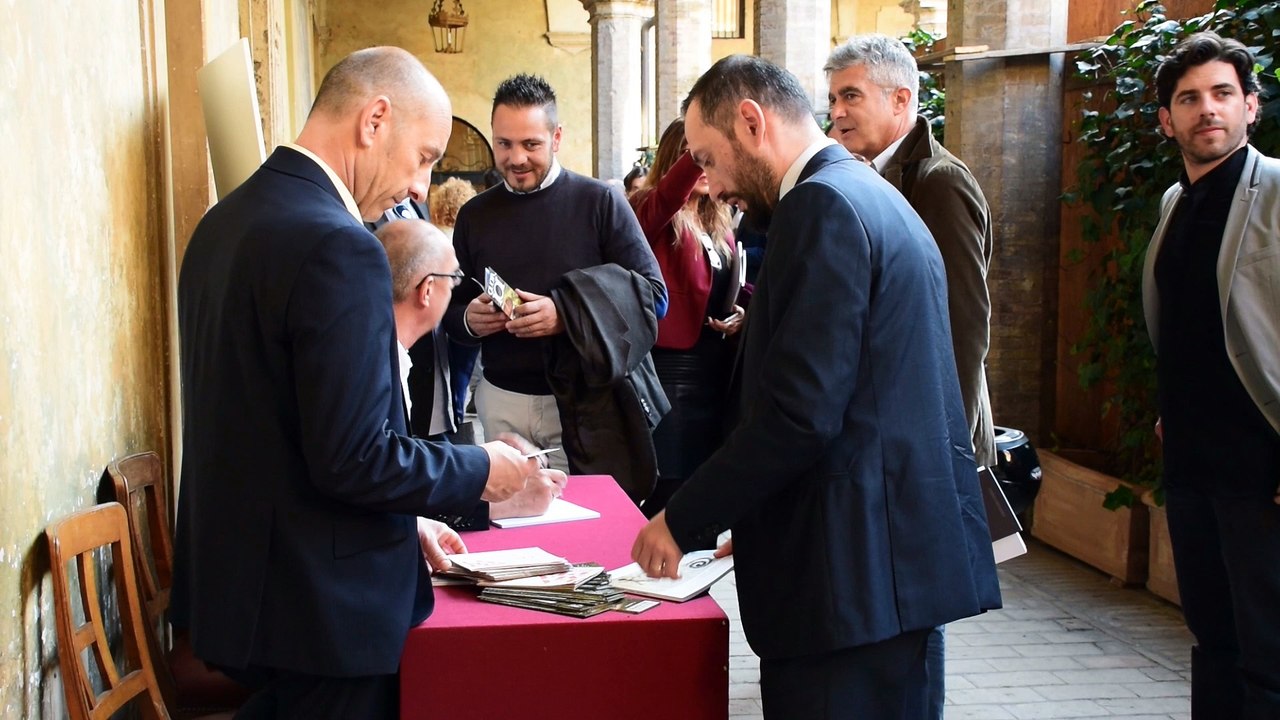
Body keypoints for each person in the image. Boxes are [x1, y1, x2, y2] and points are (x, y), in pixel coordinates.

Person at [630, 55, 1001, 719]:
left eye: (709, 160)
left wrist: (681, 519)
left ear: (752, 122)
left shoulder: (821, 205)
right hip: (882, 569)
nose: (708, 186)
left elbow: (800, 413)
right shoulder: (865, 191)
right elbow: (860, 397)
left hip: (847, 583)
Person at [172, 47, 538, 719]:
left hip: (240, 593)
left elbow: (275, 428)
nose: (421, 187)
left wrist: (406, 528)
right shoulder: (339, 245)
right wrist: (478, 468)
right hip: (317, 609)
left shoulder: (220, 225)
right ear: (374, 120)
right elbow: (356, 456)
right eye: (424, 156)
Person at [825, 33, 998, 717]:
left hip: (926, 439)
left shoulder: (937, 180)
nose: (835, 112)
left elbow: (963, 325)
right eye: (833, 96)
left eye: (850, 96)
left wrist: (936, 443)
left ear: (902, 99)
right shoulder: (862, 172)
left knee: (918, 617)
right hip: (888, 439)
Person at [443, 73, 669, 502]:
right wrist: (469, 320)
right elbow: (450, 309)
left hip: (583, 405)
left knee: (582, 534)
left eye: (531, 144)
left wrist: (565, 315)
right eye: (504, 144)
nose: (516, 159)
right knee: (508, 534)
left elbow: (654, 297)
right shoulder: (474, 215)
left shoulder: (600, 202)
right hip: (499, 399)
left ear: (557, 137)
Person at [1142, 31, 1280, 718]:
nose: (1208, 110)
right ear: (1168, 119)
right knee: (1213, 640)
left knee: (1270, 654)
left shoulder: (1278, 194)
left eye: (1223, 94)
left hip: (1263, 471)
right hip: (1193, 466)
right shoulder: (1175, 204)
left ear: (1251, 106)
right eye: (1189, 99)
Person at [375, 218, 568, 523]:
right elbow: (383, 473)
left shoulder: (383, 351)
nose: (457, 290)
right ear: (427, 290)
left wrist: (486, 458)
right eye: (454, 279)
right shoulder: (377, 366)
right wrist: (486, 472)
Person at [628, 118, 743, 518]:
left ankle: (694, 574)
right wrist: (704, 140)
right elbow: (669, 194)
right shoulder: (649, 208)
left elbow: (730, 282)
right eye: (701, 158)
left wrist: (743, 311)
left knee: (706, 483)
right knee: (671, 485)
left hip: (716, 367)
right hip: (671, 371)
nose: (709, 169)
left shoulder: (718, 219)